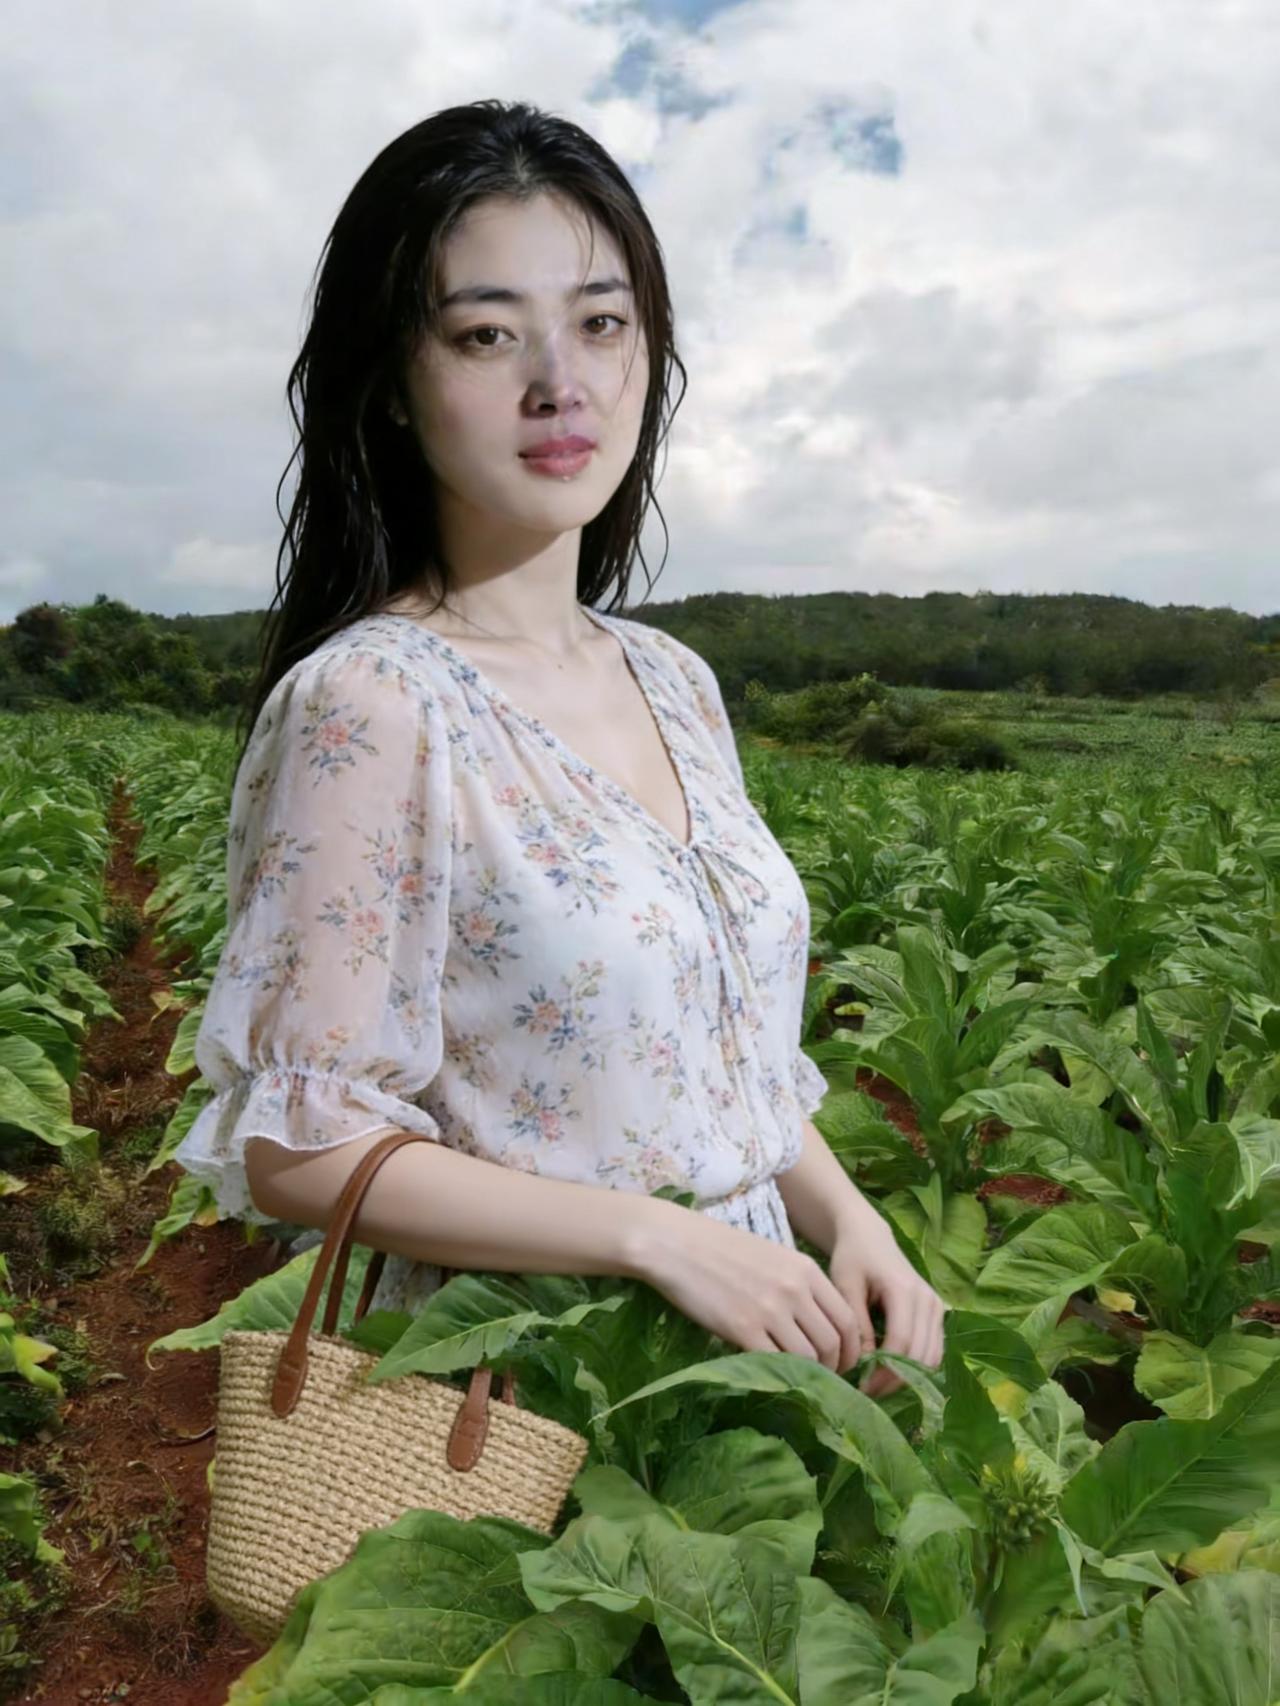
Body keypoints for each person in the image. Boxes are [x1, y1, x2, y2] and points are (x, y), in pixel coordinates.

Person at [172, 99, 945, 1399]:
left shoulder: (673, 680)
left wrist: (848, 1219)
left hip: (754, 1369)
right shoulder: (375, 701)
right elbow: (299, 1152)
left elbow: (715, 1062)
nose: (559, 382)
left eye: (600, 323)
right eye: (487, 333)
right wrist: (654, 1238)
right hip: (528, 1388)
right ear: (395, 384)